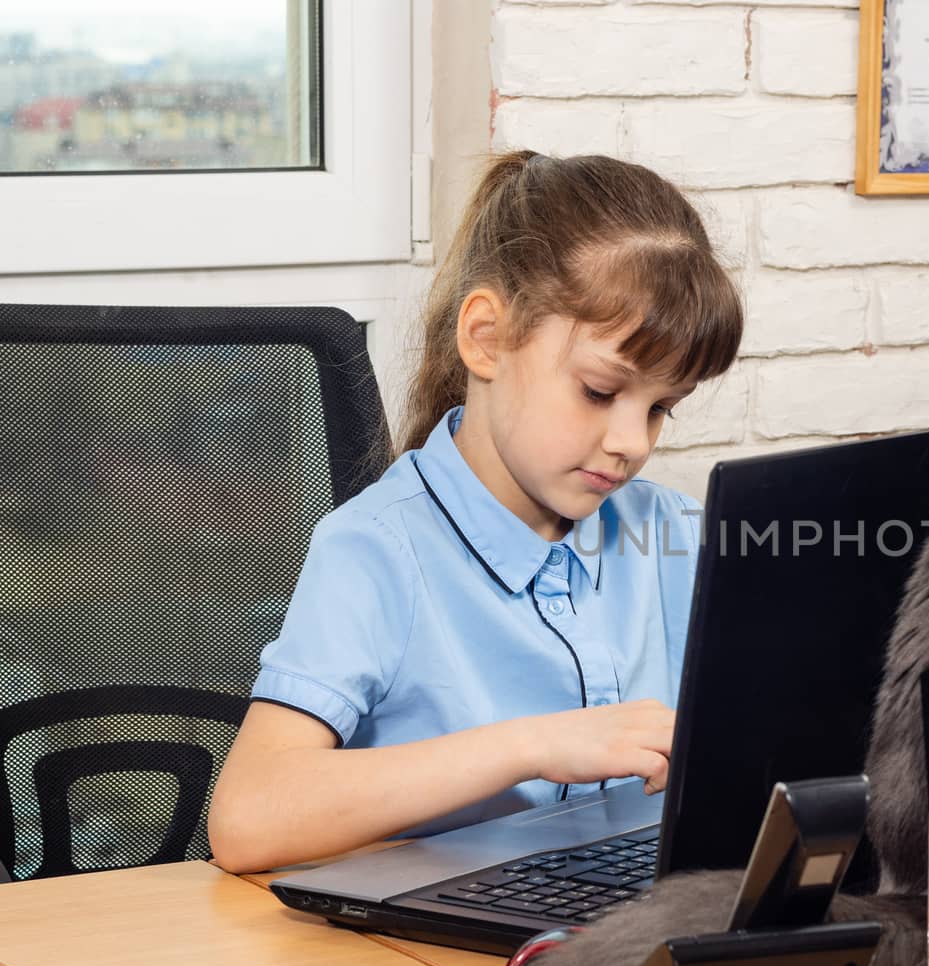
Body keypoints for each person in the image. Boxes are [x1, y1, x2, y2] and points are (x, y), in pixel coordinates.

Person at [207, 152, 742, 873]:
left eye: (659, 409)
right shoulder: (378, 550)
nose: (630, 444)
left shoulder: (677, 534)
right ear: (486, 338)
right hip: (431, 961)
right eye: (597, 391)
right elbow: (247, 819)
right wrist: (531, 744)